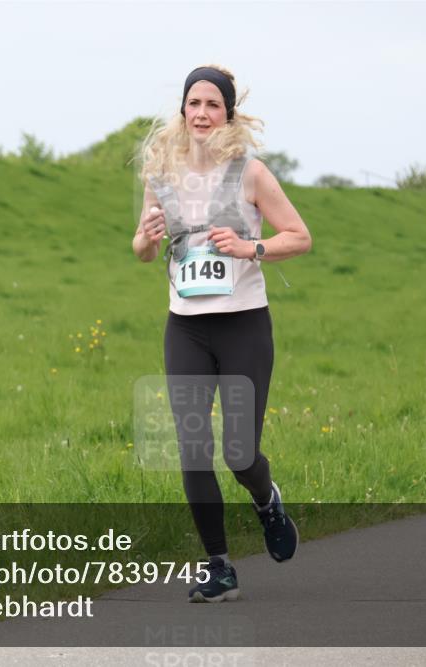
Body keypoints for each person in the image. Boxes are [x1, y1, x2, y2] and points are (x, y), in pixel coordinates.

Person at [132, 64, 312, 602]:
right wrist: (144, 236)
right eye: (194, 103)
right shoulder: (160, 172)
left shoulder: (250, 172)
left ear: (227, 114)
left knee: (239, 454)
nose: (202, 113)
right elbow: (143, 252)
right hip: (185, 328)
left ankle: (266, 502)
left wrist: (250, 247)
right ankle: (218, 566)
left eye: (213, 104)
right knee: (192, 448)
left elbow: (299, 237)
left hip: (243, 324)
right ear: (182, 111)